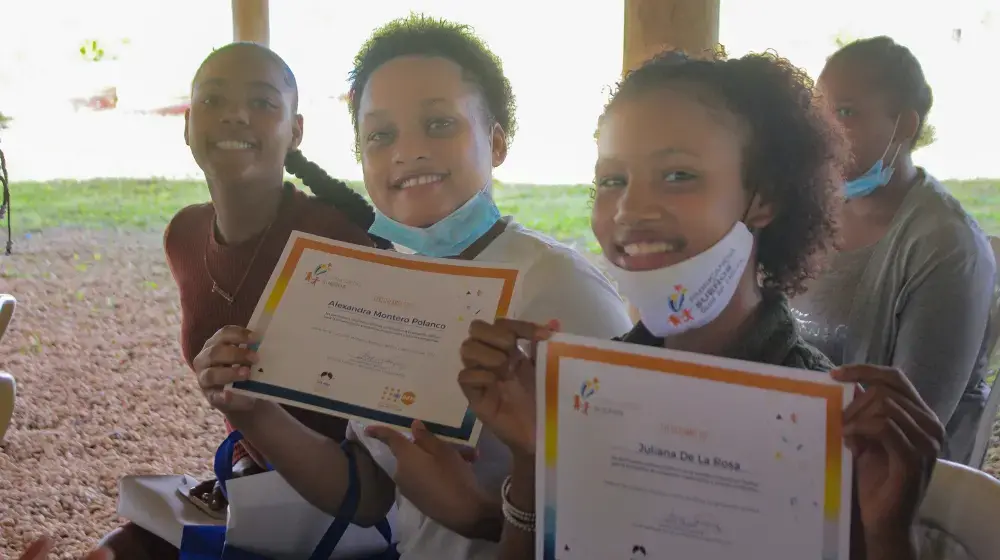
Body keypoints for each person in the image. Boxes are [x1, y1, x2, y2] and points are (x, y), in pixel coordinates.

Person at [457, 50, 961, 559]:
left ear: (762, 198)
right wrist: (533, 457)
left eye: (679, 175)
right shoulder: (589, 395)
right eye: (612, 180)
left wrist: (889, 536)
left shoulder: (833, 430)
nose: (631, 209)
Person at [194, 14, 632, 560]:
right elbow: (368, 493)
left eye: (440, 125)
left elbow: (633, 509)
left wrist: (483, 516)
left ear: (496, 143)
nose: (407, 152)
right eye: (380, 135)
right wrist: (249, 408)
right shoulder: (373, 287)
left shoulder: (561, 291)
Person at [100, 42, 388, 558]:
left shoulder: (341, 242)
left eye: (261, 102)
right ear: (188, 126)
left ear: (295, 131)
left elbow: (379, 462)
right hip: (254, 489)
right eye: (213, 101)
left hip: (353, 511)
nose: (234, 114)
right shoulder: (184, 235)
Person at [790, 36, 996, 464]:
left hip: (883, 487)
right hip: (788, 448)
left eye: (845, 113)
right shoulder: (808, 210)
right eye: (819, 113)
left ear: (904, 126)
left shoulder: (946, 247)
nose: (824, 132)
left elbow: (906, 429)